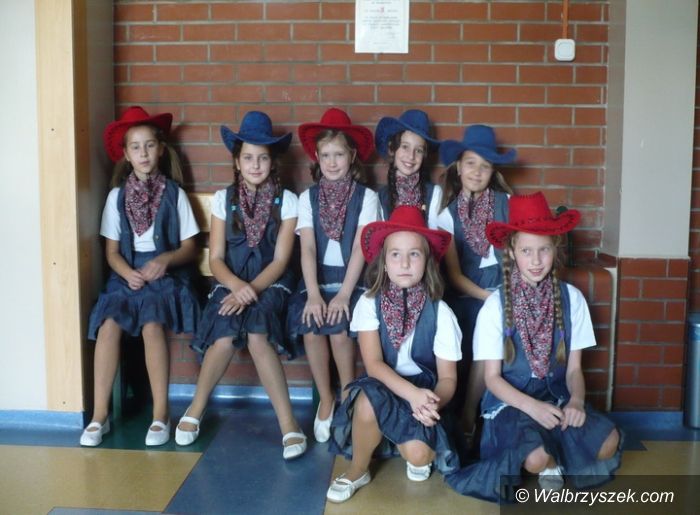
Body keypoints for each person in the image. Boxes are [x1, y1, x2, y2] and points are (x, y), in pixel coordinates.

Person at [446, 192, 622, 502]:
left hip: (556, 396)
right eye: (526, 251)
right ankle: (549, 458)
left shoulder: (572, 299)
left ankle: (553, 448)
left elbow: (574, 370)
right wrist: (532, 407)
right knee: (536, 458)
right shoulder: (495, 306)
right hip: (511, 403)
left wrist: (577, 401)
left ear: (555, 249)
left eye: (544, 250)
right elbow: (492, 379)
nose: (536, 261)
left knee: (610, 442)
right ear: (512, 252)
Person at [175, 112, 306, 460]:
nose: (255, 165)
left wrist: (252, 290)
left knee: (258, 333)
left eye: (262, 158)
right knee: (224, 332)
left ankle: (289, 424)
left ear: (272, 161)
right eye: (248, 157)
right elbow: (217, 258)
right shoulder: (224, 199)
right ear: (237, 161)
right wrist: (236, 285)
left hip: (271, 283)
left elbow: (280, 261)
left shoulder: (288, 201)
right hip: (229, 281)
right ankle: (196, 408)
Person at [81, 106, 200, 447]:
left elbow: (190, 248)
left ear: (161, 149)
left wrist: (165, 259)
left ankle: (161, 413)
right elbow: (111, 252)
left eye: (149, 145)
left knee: (151, 324)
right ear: (126, 154)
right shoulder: (116, 197)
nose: (143, 153)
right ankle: (100, 415)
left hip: (164, 276)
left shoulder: (174, 194)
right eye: (136, 147)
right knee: (108, 326)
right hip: (126, 275)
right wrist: (127, 274)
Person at [326, 206, 462, 503]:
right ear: (384, 263)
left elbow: (448, 378)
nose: (405, 263)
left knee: (419, 456)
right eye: (395, 254)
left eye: (414, 254)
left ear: (427, 261)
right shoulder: (369, 303)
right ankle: (358, 468)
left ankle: (407, 443)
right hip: (384, 382)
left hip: (426, 389)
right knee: (366, 401)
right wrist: (409, 394)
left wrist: (428, 404)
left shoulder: (441, 312)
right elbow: (374, 364)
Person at [287, 107, 379, 443]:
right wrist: (313, 294)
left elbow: (360, 249)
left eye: (339, 154)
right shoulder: (308, 198)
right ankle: (326, 398)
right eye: (325, 155)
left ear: (352, 156)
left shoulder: (366, 197)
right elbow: (308, 248)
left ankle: (347, 394)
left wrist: (342, 294)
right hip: (317, 280)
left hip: (353, 282)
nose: (332, 162)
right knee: (312, 327)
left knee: (339, 329)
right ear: (317, 157)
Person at [436, 124, 516, 447]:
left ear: (493, 171)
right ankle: (465, 413)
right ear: (458, 167)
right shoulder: (447, 215)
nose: (477, 171)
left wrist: (503, 295)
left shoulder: (506, 203)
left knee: (495, 325)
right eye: (470, 163)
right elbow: (454, 276)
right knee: (483, 323)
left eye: (485, 165)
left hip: (506, 290)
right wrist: (489, 298)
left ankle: (477, 413)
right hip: (469, 296)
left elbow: (519, 256)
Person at [374, 109, 442, 228]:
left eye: (419, 150)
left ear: (424, 156)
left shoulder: (434, 193)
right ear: (392, 149)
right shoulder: (380, 197)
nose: (411, 156)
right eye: (405, 147)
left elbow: (436, 233)